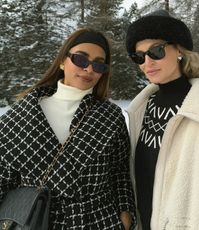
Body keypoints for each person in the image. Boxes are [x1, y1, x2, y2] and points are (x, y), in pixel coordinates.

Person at [0, 28, 136, 229]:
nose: (89, 69)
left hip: (100, 220)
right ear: (63, 61)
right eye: (81, 59)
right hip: (39, 220)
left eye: (99, 64)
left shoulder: (111, 116)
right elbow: (3, 177)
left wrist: (125, 214)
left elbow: (120, 174)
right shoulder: (20, 116)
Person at [125, 9, 199, 230]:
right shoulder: (141, 108)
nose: (147, 62)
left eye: (156, 51)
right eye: (139, 56)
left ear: (179, 50)